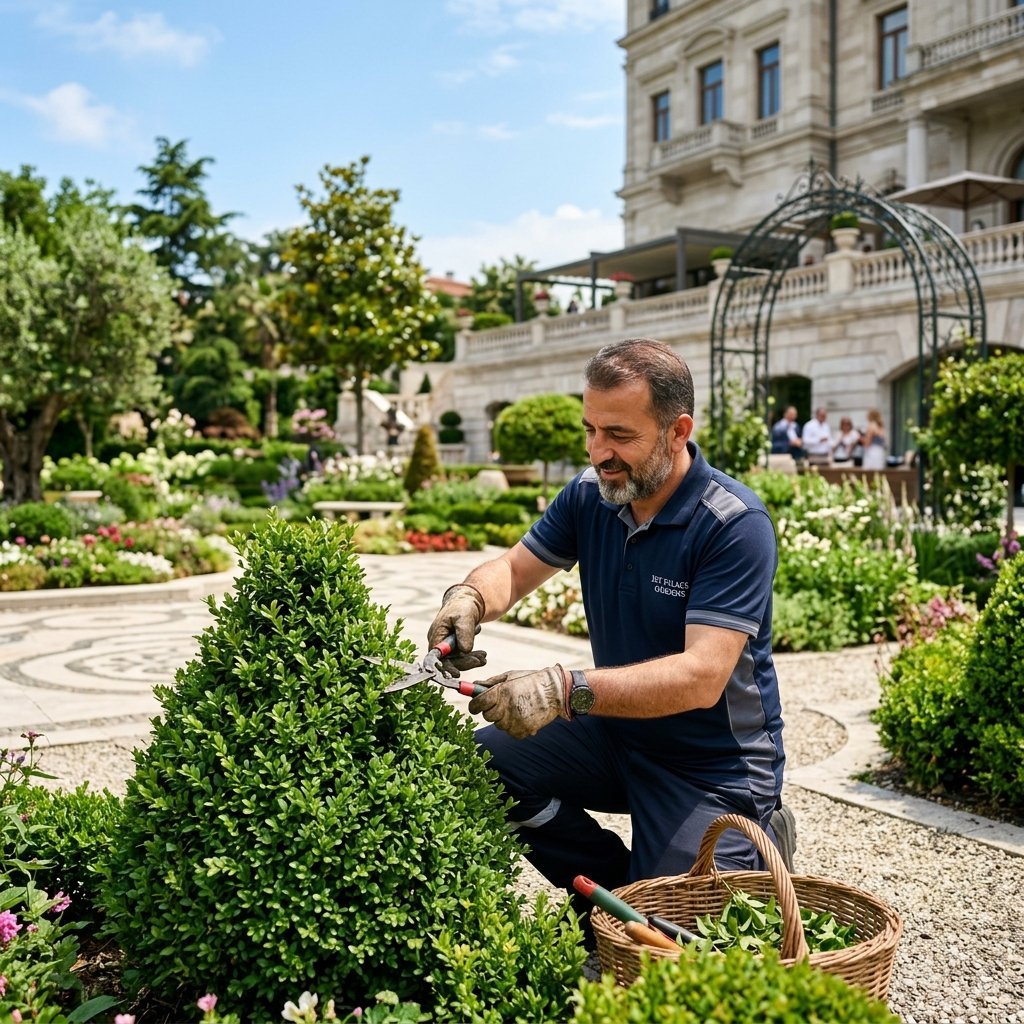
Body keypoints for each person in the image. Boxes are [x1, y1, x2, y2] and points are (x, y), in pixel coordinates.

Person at [427, 337, 788, 932]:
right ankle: (615, 900)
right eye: (591, 430)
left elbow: (701, 677)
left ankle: (755, 837)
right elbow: (514, 570)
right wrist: (467, 597)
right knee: (481, 769)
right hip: (620, 736)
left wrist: (562, 689)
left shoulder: (734, 525)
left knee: (679, 950)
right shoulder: (589, 496)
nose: (600, 452)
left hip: (712, 763)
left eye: (620, 435)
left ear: (677, 430)